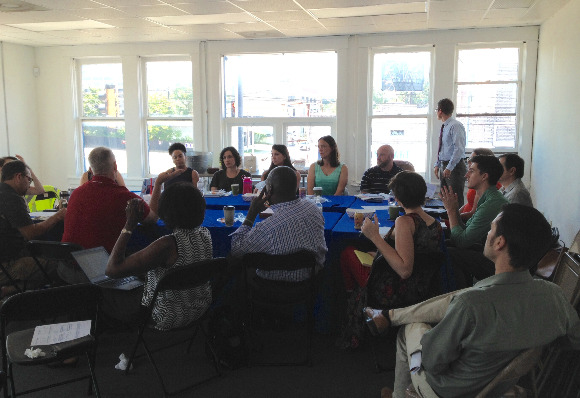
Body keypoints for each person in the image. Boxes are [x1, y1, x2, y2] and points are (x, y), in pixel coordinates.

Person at [364, 204, 580, 398]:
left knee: (407, 332)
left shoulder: (470, 305)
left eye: (491, 228)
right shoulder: (554, 295)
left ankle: (399, 395)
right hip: (499, 386)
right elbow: (573, 339)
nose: (487, 233)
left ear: (499, 242)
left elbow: (431, 361)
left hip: (443, 389)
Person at [338, 171, 444, 349]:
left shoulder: (405, 222)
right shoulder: (434, 223)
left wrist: (375, 237)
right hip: (423, 287)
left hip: (395, 290)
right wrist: (379, 251)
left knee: (348, 252)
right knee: (365, 254)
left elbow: (404, 270)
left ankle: (354, 300)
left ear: (398, 198)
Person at [105, 182, 213, 330]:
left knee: (102, 291)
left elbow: (112, 270)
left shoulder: (167, 245)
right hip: (199, 308)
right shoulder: (205, 235)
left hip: (165, 315)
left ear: (167, 212)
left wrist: (129, 224)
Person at [230, 166, 327, 282]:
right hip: (311, 285)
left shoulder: (266, 228)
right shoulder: (313, 209)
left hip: (271, 289)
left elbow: (236, 250)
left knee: (236, 267)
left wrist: (251, 214)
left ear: (269, 190)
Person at [62, 147, 157, 253]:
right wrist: (158, 184)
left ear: (90, 170)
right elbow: (152, 219)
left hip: (68, 261)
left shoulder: (76, 193)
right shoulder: (124, 197)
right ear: (115, 166)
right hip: (102, 264)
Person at [0, 160, 66, 297]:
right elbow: (31, 233)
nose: (29, 184)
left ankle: (8, 291)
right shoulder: (12, 198)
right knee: (62, 267)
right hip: (8, 264)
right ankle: (52, 310)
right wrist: (58, 216)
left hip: (7, 258)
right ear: (19, 177)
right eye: (28, 179)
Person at [441, 155, 508, 285]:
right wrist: (454, 210)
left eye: (471, 171)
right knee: (444, 242)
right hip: (485, 248)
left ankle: (459, 293)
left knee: (447, 252)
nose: (466, 175)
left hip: (495, 261)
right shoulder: (487, 198)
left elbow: (461, 241)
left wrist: (450, 211)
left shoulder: (492, 203)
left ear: (484, 176)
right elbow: (465, 232)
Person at [433, 98, 467, 207]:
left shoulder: (455, 126)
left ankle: (457, 223)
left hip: (455, 167)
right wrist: (437, 164)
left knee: (454, 199)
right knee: (444, 197)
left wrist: (449, 167)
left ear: (440, 111)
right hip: (445, 165)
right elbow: (443, 148)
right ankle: (446, 222)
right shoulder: (444, 126)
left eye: (436, 110)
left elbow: (459, 149)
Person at [458, 148, 496, 222]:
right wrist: (455, 213)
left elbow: (473, 214)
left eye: (472, 160)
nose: (469, 162)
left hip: (467, 221)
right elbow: (468, 204)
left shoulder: (484, 183)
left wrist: (452, 215)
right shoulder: (474, 180)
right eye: (469, 159)